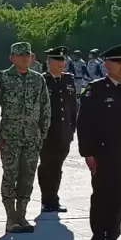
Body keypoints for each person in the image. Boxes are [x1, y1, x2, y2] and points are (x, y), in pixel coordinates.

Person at [77, 44, 121, 240]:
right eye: (119, 62)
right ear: (106, 65)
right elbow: (84, 124)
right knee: (103, 198)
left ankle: (113, 238)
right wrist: (88, 154)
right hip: (104, 155)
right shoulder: (95, 90)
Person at [0, 41, 50, 233]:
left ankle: (22, 215)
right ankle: (11, 218)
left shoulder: (38, 79)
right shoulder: (2, 78)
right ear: (12, 57)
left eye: (27, 54)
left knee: (28, 177)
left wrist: (42, 133)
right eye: (20, 55)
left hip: (32, 137)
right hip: (10, 136)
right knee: (10, 175)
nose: (25, 58)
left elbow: (45, 108)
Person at [39, 46, 78, 213]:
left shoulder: (69, 79)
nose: (61, 63)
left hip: (64, 132)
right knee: (48, 166)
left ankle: (53, 197)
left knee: (57, 166)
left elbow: (73, 106)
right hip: (47, 133)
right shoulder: (42, 80)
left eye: (63, 60)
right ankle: (48, 199)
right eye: (57, 60)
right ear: (49, 62)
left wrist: (72, 129)